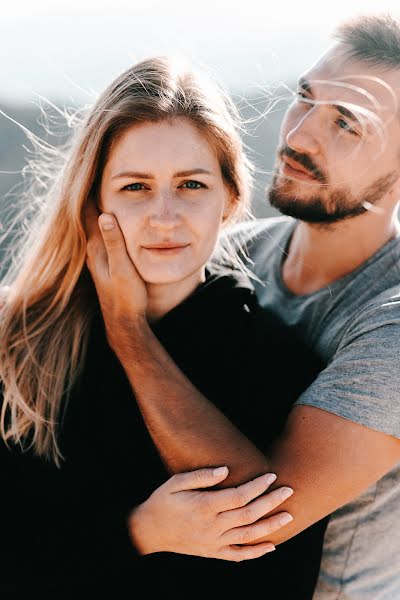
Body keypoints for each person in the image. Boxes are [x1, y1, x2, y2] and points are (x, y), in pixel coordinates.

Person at [82, 13, 400, 600]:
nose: (300, 136)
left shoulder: (393, 320)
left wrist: (128, 332)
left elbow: (255, 516)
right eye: (304, 98)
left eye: (347, 124)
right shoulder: (232, 250)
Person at [0, 57, 327, 599]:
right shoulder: (21, 345)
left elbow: (272, 575)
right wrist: (140, 533)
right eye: (134, 188)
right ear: (92, 203)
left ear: (230, 200)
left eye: (191, 184)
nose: (165, 215)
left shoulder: (279, 367)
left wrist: (129, 332)